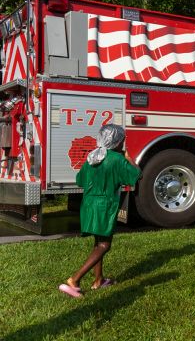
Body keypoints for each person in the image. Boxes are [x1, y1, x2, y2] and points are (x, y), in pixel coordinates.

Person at [58, 124, 141, 298]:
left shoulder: (91, 157)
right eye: (122, 139)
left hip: (88, 204)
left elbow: (80, 180)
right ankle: (75, 280)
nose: (123, 142)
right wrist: (128, 158)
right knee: (105, 245)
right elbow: (136, 176)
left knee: (98, 242)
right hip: (105, 206)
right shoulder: (116, 159)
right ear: (117, 141)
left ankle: (99, 280)